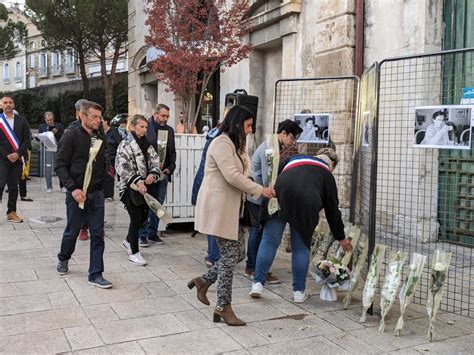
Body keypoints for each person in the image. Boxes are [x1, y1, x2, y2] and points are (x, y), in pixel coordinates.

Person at [188, 105, 275, 326]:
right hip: (218, 208)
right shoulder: (221, 142)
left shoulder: (237, 145)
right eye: (247, 125)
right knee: (228, 256)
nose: (250, 129)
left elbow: (243, 172)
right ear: (237, 123)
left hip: (231, 209)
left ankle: (203, 281)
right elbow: (232, 176)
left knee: (238, 253)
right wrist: (260, 189)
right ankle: (223, 306)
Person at [250, 148, 353, 303]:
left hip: (279, 193)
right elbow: (333, 210)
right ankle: (298, 292)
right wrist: (341, 237)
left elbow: (274, 173)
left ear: (317, 155)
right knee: (300, 247)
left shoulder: (295, 158)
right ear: (333, 165)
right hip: (306, 203)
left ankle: (257, 284)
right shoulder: (327, 175)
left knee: (269, 240)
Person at [55, 100, 112, 289]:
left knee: (98, 234)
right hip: (76, 194)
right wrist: (73, 188)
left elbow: (103, 162)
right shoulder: (70, 136)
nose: (98, 120)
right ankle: (63, 257)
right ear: (82, 116)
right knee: (72, 230)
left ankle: (96, 273)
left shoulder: (100, 137)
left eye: (100, 117)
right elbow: (60, 165)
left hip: (96, 194)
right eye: (94, 117)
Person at [245, 119, 303, 283]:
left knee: (259, 232)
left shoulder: (274, 145)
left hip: (262, 195)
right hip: (258, 195)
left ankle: (257, 267)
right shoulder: (270, 148)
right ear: (283, 133)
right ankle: (253, 268)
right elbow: (266, 178)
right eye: (292, 138)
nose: (292, 142)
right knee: (257, 231)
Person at [116, 114, 162, 266]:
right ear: (133, 126)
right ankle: (134, 252)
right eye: (141, 127)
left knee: (143, 217)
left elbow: (156, 161)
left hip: (147, 188)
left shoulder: (148, 144)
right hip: (130, 188)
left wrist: (152, 175)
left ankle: (128, 241)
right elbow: (122, 166)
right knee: (136, 218)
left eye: (146, 127)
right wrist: (137, 181)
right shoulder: (125, 144)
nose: (144, 129)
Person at [139, 104, 176, 246]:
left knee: (158, 205)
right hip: (147, 176)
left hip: (162, 175)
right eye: (163, 116)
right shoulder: (146, 128)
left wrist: (170, 168)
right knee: (145, 204)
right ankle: (141, 235)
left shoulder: (170, 130)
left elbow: (172, 151)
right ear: (155, 115)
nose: (165, 119)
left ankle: (152, 233)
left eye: (167, 116)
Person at [191, 125, 222, 267]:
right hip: (213, 187)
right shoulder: (219, 141)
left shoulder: (212, 138)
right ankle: (214, 256)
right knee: (214, 222)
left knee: (212, 222)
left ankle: (212, 254)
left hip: (206, 183)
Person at [0, 94, 31, 223]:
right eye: (5, 102)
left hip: (17, 159)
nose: (8, 104)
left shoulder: (22, 120)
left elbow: (27, 139)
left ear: (14, 104)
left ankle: (11, 212)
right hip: (2, 159)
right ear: (1, 105)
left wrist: (17, 154)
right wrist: (7, 154)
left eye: (10, 102)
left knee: (14, 187)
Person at [38, 111, 65, 193]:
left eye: (51, 120)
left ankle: (63, 186)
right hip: (47, 149)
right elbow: (40, 136)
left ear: (53, 119)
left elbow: (63, 137)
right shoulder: (41, 126)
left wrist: (56, 132)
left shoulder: (59, 126)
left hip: (58, 149)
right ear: (45, 119)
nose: (49, 121)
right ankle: (49, 186)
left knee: (60, 167)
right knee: (48, 168)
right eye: (48, 120)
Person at [102, 116, 123, 200]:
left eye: (102, 120)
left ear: (106, 122)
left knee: (109, 176)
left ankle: (109, 195)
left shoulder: (113, 132)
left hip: (112, 157)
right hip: (102, 157)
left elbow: (120, 143)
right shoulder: (99, 132)